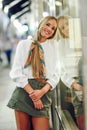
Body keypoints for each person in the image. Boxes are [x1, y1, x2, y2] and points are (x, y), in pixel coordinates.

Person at [7, 16, 60, 130]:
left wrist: (41, 92)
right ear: (41, 23)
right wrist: (34, 96)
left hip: (43, 92)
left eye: (53, 28)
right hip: (24, 92)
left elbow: (56, 73)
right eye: (47, 24)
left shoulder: (54, 46)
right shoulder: (24, 44)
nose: (49, 29)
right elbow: (16, 72)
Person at [57, 15, 84, 130]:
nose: (66, 28)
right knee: (81, 116)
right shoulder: (61, 44)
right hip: (75, 85)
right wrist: (74, 84)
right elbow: (61, 70)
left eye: (68, 24)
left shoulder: (84, 39)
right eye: (62, 27)